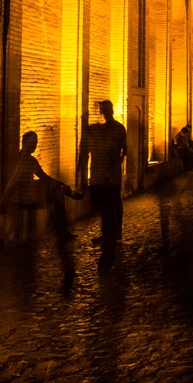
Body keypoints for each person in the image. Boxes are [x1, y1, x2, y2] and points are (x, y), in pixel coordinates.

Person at [1, 131, 83, 294]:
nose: (34, 145)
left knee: (56, 189)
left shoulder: (29, 160)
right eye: (32, 142)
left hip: (29, 193)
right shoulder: (23, 160)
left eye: (36, 142)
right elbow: (13, 182)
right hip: (25, 197)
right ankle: (65, 213)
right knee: (56, 192)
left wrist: (60, 184)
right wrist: (3, 200)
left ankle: (67, 194)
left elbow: (43, 177)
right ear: (24, 143)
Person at [78, 100, 128, 273]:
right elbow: (83, 156)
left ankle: (108, 252)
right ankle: (110, 239)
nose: (104, 113)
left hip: (107, 179)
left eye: (105, 110)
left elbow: (124, 150)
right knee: (107, 212)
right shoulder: (96, 131)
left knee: (108, 212)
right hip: (103, 179)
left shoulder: (107, 130)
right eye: (103, 110)